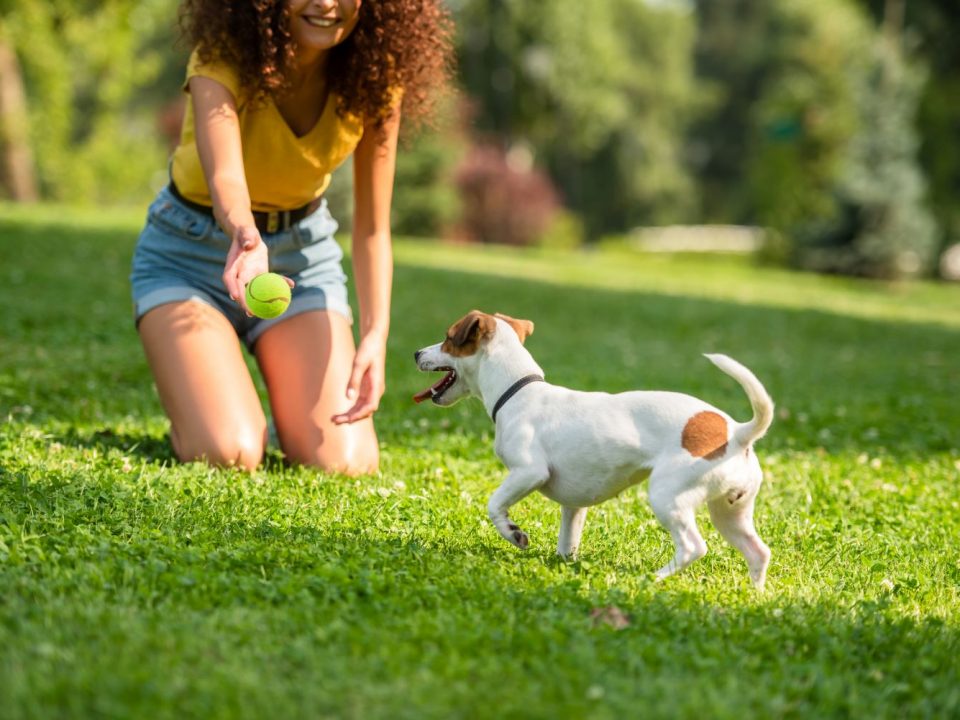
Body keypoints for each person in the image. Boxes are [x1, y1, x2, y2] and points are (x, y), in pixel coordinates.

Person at [130, 0, 452, 474]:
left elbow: (373, 226)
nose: (326, 3)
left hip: (302, 262)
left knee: (347, 462)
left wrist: (375, 335)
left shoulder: (376, 76)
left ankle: (280, 417)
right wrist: (245, 235)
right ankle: (204, 409)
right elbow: (227, 182)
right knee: (228, 452)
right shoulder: (221, 54)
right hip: (188, 255)